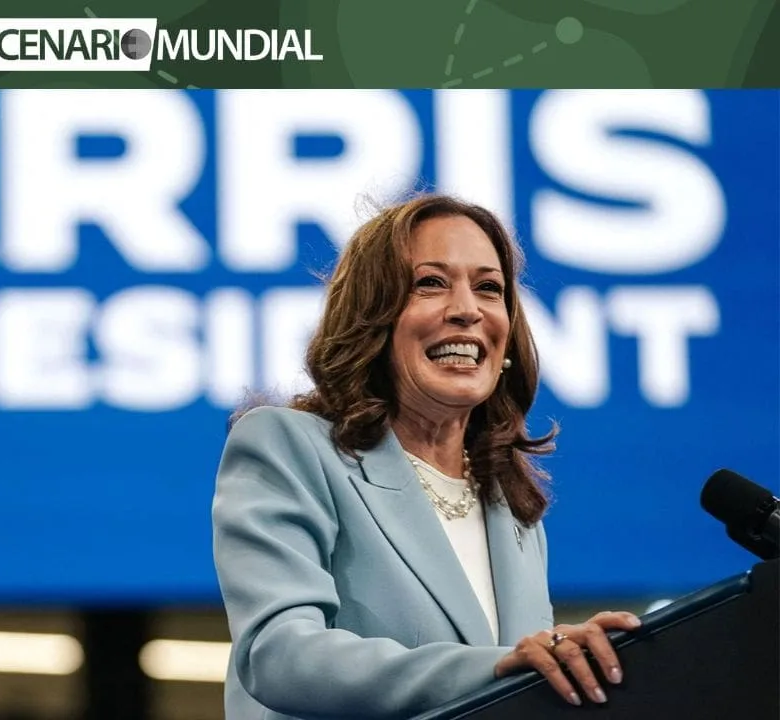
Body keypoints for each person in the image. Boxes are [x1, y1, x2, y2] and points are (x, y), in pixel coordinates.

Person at [211, 193, 642, 720]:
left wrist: (575, 666)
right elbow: (278, 656)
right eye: (431, 283)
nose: (467, 310)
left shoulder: (509, 504)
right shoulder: (290, 445)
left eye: (489, 288)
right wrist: (495, 668)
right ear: (372, 317)